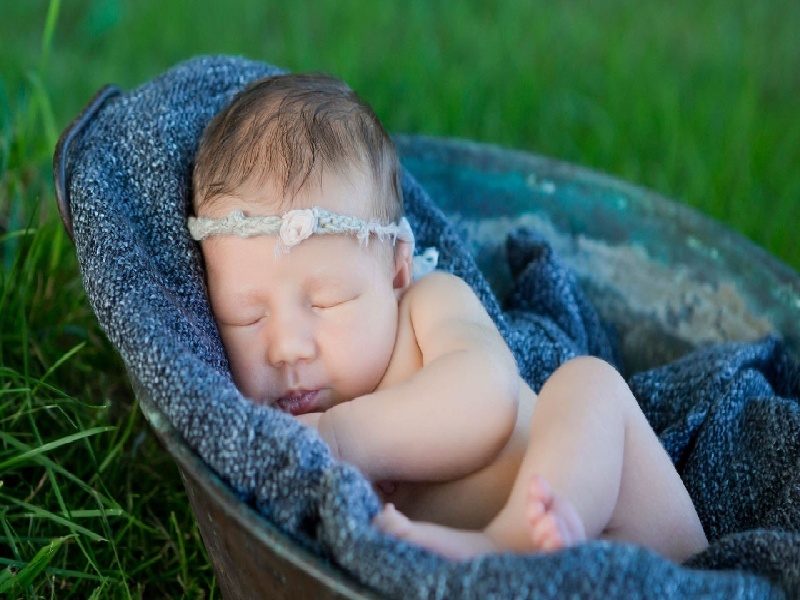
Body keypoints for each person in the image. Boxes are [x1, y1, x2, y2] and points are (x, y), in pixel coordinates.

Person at [188, 72, 708, 562]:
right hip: (547, 580)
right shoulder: (279, 436)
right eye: (247, 318)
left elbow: (487, 397)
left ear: (394, 274)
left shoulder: (426, 307)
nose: (287, 347)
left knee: (589, 384)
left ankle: (503, 546)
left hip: (625, 533)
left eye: (325, 303)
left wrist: (346, 436)